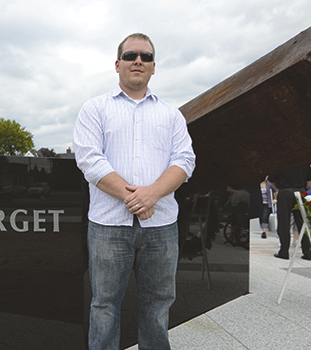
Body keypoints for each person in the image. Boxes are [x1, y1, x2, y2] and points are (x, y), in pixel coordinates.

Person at [73, 33, 196, 350]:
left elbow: (184, 160)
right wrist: (136, 197)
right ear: (117, 64)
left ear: (154, 67)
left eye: (145, 56)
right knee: (104, 306)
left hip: (161, 226)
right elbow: (89, 159)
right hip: (108, 226)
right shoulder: (94, 109)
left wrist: (152, 194)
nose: (137, 60)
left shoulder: (171, 115)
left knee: (158, 306)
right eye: (130, 55)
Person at [268, 165, 311, 260]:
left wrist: (279, 188)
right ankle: (308, 252)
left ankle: (284, 251)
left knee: (284, 222)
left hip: (285, 191)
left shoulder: (280, 161)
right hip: (301, 191)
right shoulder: (305, 162)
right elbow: (310, 180)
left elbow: (271, 180)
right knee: (302, 222)